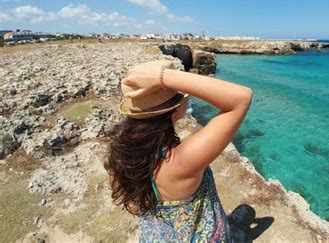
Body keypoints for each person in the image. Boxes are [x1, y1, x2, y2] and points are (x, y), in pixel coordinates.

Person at [105, 59, 253, 242]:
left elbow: (136, 209)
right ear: (174, 111)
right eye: (182, 96)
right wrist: (164, 77)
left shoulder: (119, 156)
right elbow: (242, 98)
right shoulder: (181, 160)